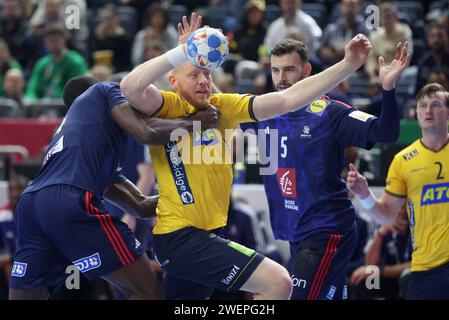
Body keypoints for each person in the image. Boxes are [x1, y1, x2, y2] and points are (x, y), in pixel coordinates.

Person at [120, 12, 372, 299]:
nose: (203, 81)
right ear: (173, 81)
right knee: (279, 283)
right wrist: (181, 52)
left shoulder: (222, 106)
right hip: (180, 237)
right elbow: (130, 87)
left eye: (207, 73)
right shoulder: (165, 106)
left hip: (210, 234)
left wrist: (348, 65)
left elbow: (287, 100)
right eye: (194, 74)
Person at [9, 75, 220, 300]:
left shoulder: (82, 147)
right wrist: (195, 122)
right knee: (147, 293)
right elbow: (146, 132)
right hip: (68, 198)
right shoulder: (104, 90)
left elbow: (141, 206)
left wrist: (193, 192)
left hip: (31, 205)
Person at [239, 38, 410, 299]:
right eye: (275, 70)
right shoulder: (264, 111)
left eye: (289, 69)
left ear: (307, 71)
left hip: (326, 230)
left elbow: (386, 132)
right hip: (295, 231)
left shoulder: (329, 112)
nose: (281, 78)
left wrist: (388, 87)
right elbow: (222, 108)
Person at [346, 82, 449, 300]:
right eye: (422, 105)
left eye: (436, 104)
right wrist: (364, 194)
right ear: (417, 113)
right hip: (426, 266)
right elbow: (386, 215)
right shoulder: (403, 161)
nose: (428, 110)